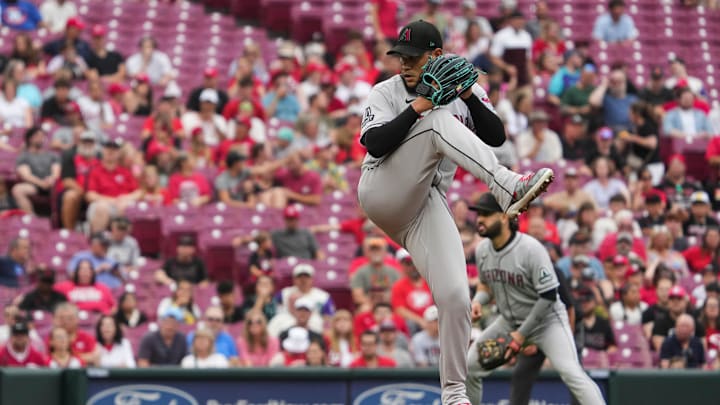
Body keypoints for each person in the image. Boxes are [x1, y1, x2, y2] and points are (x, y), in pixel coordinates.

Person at [358, 20, 553, 405]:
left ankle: (454, 394)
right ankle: (506, 185)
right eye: (400, 56)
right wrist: (421, 104)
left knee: (455, 297)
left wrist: (466, 92)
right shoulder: (385, 92)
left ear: (436, 56)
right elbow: (375, 144)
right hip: (383, 189)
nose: (404, 64)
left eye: (413, 58)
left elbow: (495, 136)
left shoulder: (462, 88)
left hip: (426, 205)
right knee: (433, 122)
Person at [466, 192, 605, 405]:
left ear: (504, 216)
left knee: (572, 373)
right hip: (510, 322)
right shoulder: (483, 250)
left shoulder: (531, 249)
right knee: (470, 367)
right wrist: (478, 301)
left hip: (547, 322)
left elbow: (549, 297)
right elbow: (485, 285)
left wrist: (521, 336)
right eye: (478, 214)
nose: (479, 219)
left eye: (486, 214)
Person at [85, 138, 140, 233]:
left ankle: (125, 243)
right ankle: (97, 241)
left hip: (123, 204)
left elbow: (139, 192)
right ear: (102, 151)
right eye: (108, 148)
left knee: (129, 207)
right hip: (103, 204)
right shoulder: (95, 171)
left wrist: (126, 198)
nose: (110, 151)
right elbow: (90, 195)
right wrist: (112, 201)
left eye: (114, 149)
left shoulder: (125, 172)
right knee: (102, 208)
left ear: (118, 153)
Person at [12, 127, 60, 215]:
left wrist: (51, 179)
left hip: (51, 183)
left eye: (42, 136)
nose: (41, 138)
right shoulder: (23, 156)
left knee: (61, 186)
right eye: (38, 136)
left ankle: (57, 217)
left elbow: (56, 172)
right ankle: (32, 218)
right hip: (35, 185)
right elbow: (26, 175)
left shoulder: (52, 155)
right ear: (30, 138)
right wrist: (41, 184)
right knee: (17, 189)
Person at [351, 237, 401, 311]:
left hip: (389, 304)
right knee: (364, 309)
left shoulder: (393, 272)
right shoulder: (360, 272)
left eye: (378, 250)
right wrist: (374, 304)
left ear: (385, 252)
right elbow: (357, 296)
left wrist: (387, 300)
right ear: (367, 253)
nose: (376, 252)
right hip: (370, 304)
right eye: (373, 250)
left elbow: (400, 293)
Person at [391, 249, 434, 333]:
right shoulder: (398, 286)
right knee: (409, 323)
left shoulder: (431, 281)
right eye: (408, 263)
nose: (413, 266)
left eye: (415, 262)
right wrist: (420, 321)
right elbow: (400, 310)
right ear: (402, 265)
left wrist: (431, 321)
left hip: (433, 319)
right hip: (414, 324)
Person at [489, 11, 534, 87]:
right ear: (511, 21)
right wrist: (506, 67)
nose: (519, 22)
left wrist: (531, 78)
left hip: (523, 78)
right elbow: (494, 57)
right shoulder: (501, 35)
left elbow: (528, 60)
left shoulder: (526, 36)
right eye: (517, 20)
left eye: (521, 20)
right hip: (506, 79)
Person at [575, 287, 617, 352]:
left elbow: (612, 346)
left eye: (587, 300)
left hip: (600, 360)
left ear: (594, 302)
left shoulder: (603, 323)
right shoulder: (575, 322)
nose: (584, 304)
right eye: (581, 301)